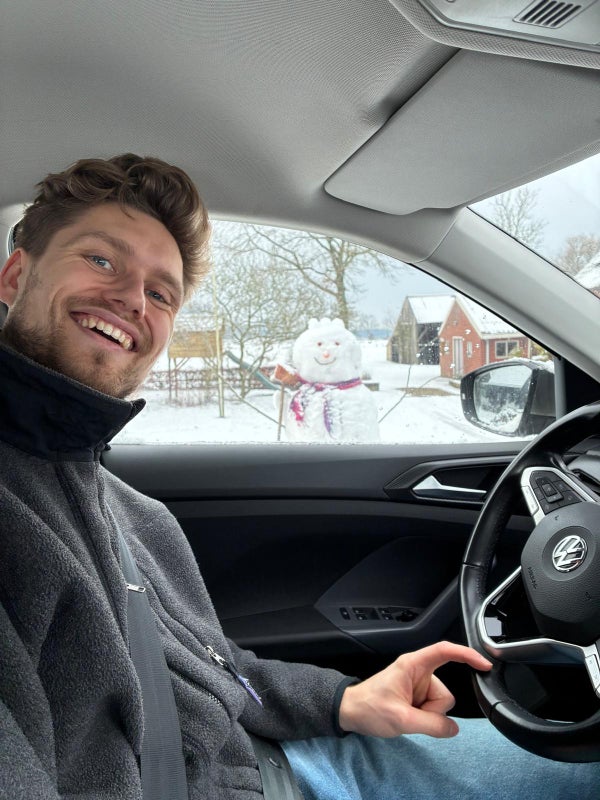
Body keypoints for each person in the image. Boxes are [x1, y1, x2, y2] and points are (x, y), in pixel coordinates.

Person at [0, 154, 597, 800]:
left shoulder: (135, 514)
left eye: (162, 293)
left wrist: (345, 701)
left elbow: (219, 670)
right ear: (15, 275)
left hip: (278, 766)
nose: (132, 300)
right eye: (101, 260)